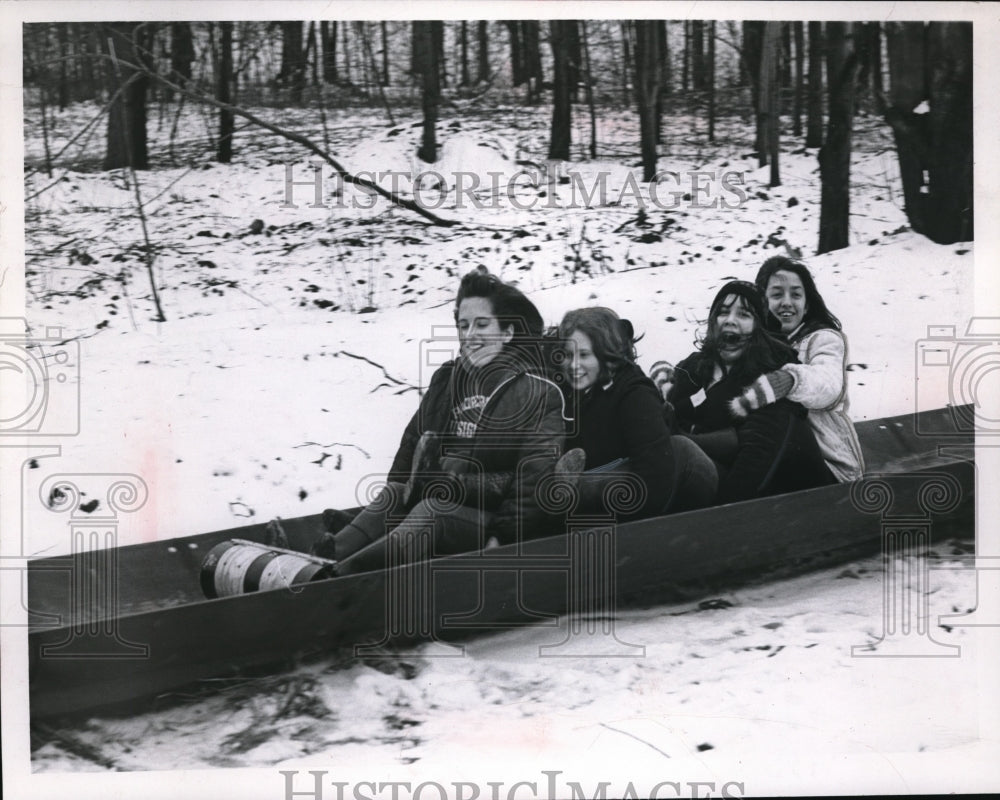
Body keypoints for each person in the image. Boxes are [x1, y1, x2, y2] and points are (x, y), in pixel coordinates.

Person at [315, 269, 570, 575]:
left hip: (495, 524)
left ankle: (341, 578)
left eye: (482, 324)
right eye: (463, 325)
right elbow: (412, 446)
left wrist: (501, 535)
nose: (469, 334)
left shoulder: (537, 393)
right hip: (440, 504)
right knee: (396, 493)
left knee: (431, 511)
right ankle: (325, 557)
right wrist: (399, 501)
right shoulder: (449, 380)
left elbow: (531, 483)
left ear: (507, 332)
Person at [664, 281, 835, 503]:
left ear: (759, 329)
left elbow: (749, 476)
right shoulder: (695, 370)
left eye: (744, 314)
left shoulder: (771, 384)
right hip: (711, 489)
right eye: (723, 312)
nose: (730, 320)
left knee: (681, 452)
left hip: (778, 506)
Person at [556, 307, 718, 519]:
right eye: (568, 355)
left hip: (652, 498)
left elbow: (654, 479)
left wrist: (582, 492)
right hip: (600, 493)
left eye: (584, 355)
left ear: (606, 354)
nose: (573, 365)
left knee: (682, 450)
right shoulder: (573, 391)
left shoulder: (634, 394)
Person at [750, 256, 865, 482]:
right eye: (776, 294)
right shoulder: (754, 347)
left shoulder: (824, 340)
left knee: (780, 412)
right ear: (761, 303)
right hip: (772, 459)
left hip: (829, 465)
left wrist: (791, 380)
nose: (786, 302)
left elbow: (828, 385)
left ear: (807, 304)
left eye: (795, 294)